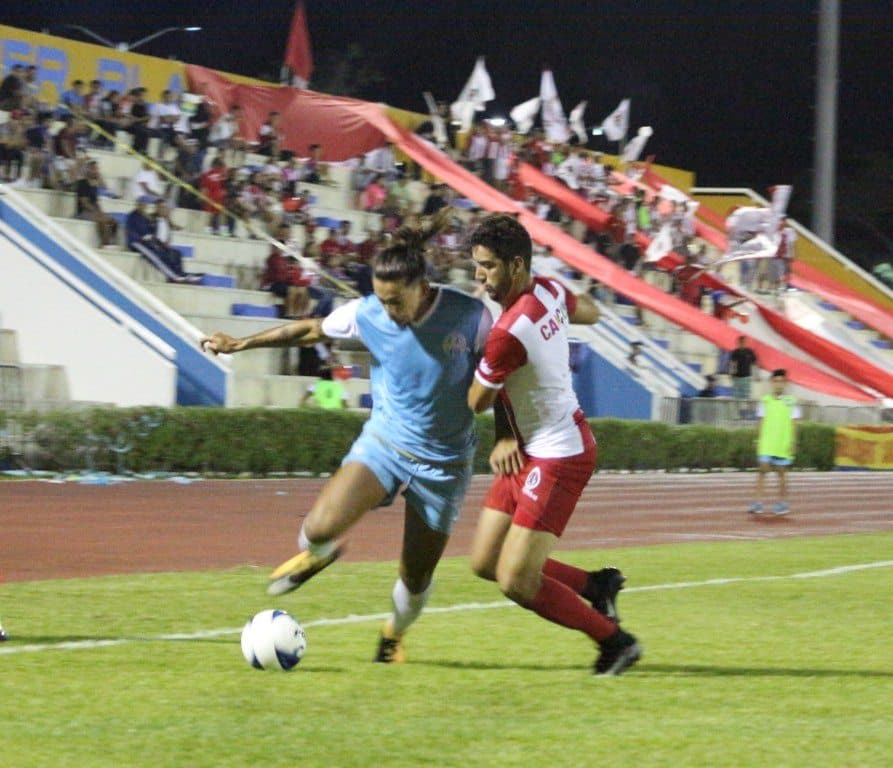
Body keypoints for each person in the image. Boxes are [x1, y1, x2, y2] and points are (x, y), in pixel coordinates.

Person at [199, 211, 493, 663]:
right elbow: (311, 329)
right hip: (386, 443)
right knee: (317, 528)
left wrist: (512, 437)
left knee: (416, 577)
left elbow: (502, 376)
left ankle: (392, 635)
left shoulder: (469, 316)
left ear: (423, 286)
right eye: (381, 300)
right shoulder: (369, 313)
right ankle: (321, 553)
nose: (388, 312)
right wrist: (242, 343)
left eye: (397, 301)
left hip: (445, 463)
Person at [465, 213, 641, 676]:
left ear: (517, 264)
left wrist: (470, 357)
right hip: (526, 447)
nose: (479, 276)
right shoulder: (548, 288)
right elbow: (591, 310)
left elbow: (476, 400)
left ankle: (615, 641)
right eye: (476, 266)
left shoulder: (507, 333)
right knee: (484, 560)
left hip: (558, 453)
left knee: (516, 580)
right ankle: (596, 586)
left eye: (487, 266)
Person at [749, 369, 800, 515]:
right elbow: (761, 420)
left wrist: (793, 442)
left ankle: (782, 503)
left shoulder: (791, 402)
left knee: (782, 474)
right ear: (772, 383)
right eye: (776, 381)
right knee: (762, 471)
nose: (778, 384)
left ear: (785, 383)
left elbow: (794, 422)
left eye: (781, 381)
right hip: (767, 442)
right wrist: (757, 438)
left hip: (782, 444)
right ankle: (757, 502)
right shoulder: (765, 400)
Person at [75, 160, 118, 248]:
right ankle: (104, 243)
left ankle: (111, 241)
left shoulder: (94, 185)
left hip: (94, 212)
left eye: (97, 169)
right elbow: (84, 203)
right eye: (94, 169)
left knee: (113, 221)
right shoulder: (82, 183)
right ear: (88, 170)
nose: (96, 171)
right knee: (102, 221)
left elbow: (96, 202)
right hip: (83, 212)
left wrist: (101, 212)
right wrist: (97, 213)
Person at [729, 335, 758, 401]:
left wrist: (757, 375)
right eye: (741, 342)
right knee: (736, 397)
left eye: (744, 342)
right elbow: (733, 364)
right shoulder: (735, 352)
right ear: (738, 343)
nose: (742, 343)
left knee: (746, 397)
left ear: (746, 342)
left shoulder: (750, 352)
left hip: (746, 378)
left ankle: (745, 411)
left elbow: (755, 364)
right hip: (737, 378)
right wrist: (731, 373)